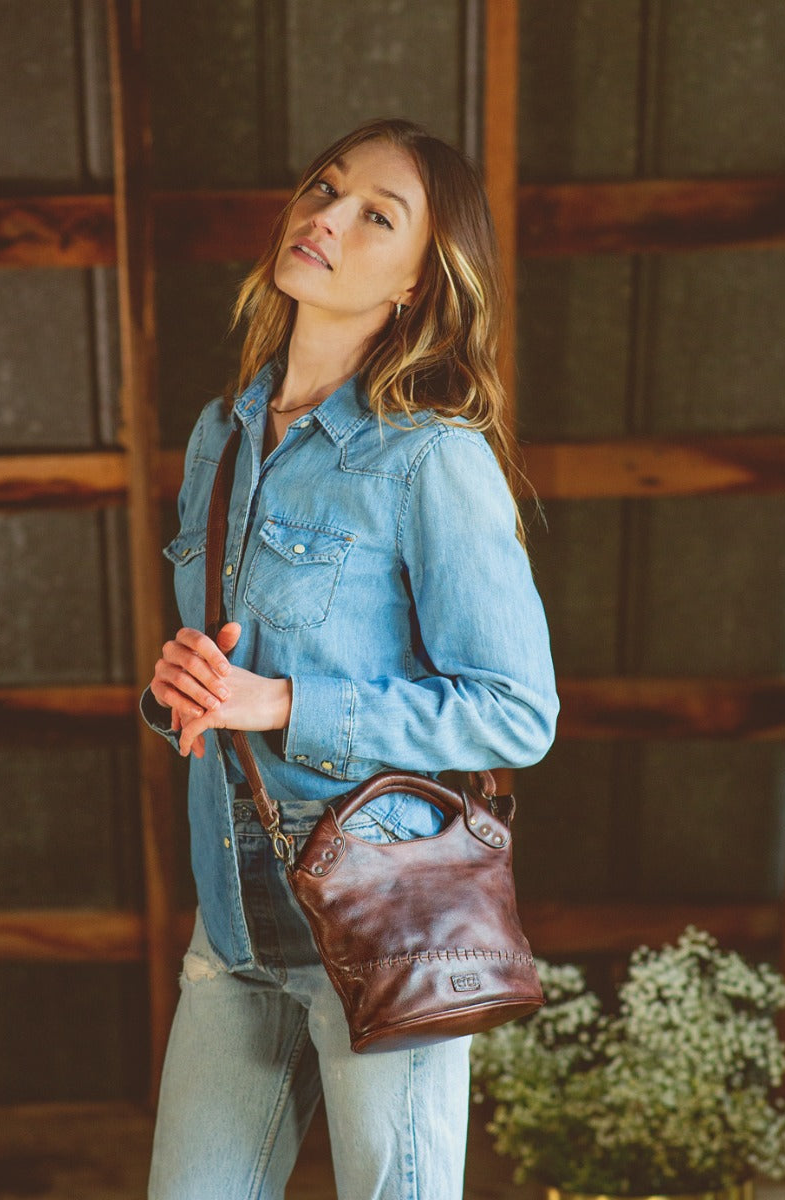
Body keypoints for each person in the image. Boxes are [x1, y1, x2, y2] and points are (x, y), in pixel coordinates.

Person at [141, 117, 559, 1200]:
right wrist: (179, 692)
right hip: (232, 922)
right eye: (323, 189)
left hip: (388, 922)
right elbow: (219, 675)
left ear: (419, 282)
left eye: (374, 215)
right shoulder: (219, 438)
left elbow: (515, 712)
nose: (324, 217)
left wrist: (281, 701)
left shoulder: (432, 456)